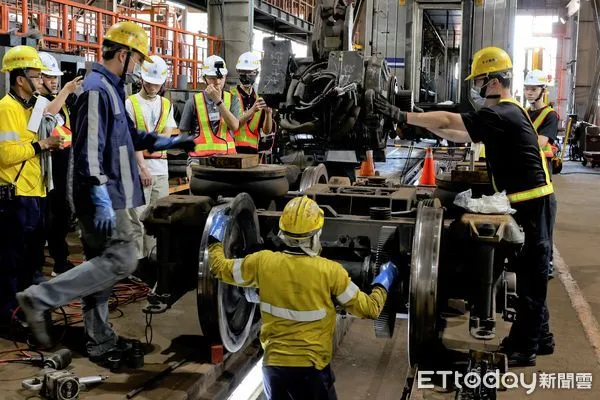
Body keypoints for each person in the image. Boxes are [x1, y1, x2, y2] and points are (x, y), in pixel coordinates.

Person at [16, 21, 195, 365]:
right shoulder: (98, 90)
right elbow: (89, 153)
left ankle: (99, 339)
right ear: (124, 55)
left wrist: (171, 142)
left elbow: (131, 137)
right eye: (138, 60)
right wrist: (100, 201)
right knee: (124, 258)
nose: (140, 69)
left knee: (100, 268)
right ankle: (39, 298)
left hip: (111, 195)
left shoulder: (112, 89)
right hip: (104, 198)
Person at [374, 46, 555, 367]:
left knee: (532, 274)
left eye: (480, 81)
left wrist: (401, 115)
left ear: (496, 82)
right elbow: (454, 131)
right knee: (532, 271)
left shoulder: (502, 113)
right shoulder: (503, 113)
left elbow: (448, 120)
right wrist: (415, 123)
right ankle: (539, 338)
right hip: (531, 201)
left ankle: (525, 347)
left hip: (532, 204)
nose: (477, 87)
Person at [207, 196, 398, 399]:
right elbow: (370, 309)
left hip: (274, 369)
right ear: (315, 236)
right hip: (311, 371)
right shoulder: (331, 272)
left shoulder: (262, 263)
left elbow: (219, 268)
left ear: (283, 233)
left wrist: (215, 239)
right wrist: (383, 281)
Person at [0, 46, 64, 327]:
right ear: (19, 80)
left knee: (31, 258)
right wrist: (42, 145)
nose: (41, 81)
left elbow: (46, 124)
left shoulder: (33, 107)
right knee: (10, 260)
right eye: (36, 76)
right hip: (15, 196)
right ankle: (7, 315)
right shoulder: (6, 108)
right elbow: (5, 154)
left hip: (35, 193)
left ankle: (28, 308)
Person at [125, 55, 176, 260]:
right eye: (149, 82)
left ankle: (153, 257)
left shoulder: (166, 104)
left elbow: (167, 131)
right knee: (137, 218)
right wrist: (142, 168)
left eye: (157, 83)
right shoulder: (131, 103)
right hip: (140, 170)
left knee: (158, 218)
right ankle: (137, 261)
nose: (153, 86)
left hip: (161, 169)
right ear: (141, 79)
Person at [38, 52, 83, 276]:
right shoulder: (38, 101)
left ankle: (59, 259)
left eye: (56, 77)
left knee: (62, 213)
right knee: (51, 215)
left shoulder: (62, 101)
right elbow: (47, 114)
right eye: (49, 77)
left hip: (65, 162)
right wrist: (66, 91)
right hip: (48, 165)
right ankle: (55, 261)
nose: (54, 81)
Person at [524, 69, 559, 279]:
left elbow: (540, 143)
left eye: (533, 89)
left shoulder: (550, 116)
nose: (529, 92)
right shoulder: (525, 114)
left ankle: (548, 263)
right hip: (528, 179)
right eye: (527, 88)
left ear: (542, 91)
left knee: (545, 227)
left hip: (543, 179)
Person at [179, 55, 240, 161]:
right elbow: (184, 131)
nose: (217, 82)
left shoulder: (232, 100)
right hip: (199, 159)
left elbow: (234, 126)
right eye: (212, 78)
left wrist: (218, 101)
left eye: (221, 77)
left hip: (227, 158)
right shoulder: (193, 102)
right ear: (204, 79)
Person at [230, 51, 273, 154]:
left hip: (253, 150)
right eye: (243, 72)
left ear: (257, 73)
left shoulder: (259, 98)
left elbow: (266, 131)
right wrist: (253, 110)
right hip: (232, 149)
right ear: (238, 71)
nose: (247, 76)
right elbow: (233, 125)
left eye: (251, 72)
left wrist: (268, 113)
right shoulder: (230, 95)